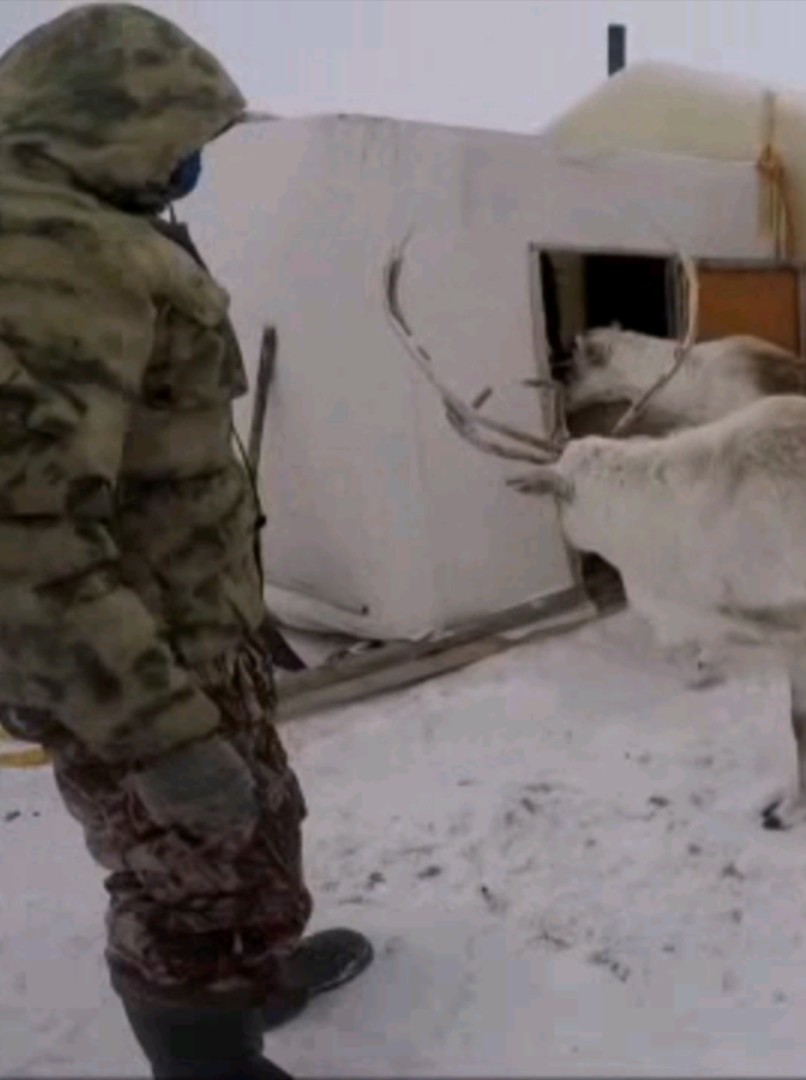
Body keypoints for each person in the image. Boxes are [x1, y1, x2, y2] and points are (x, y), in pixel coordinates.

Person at [0, 5, 372, 1076]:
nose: (190, 164)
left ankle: (252, 970)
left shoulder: (94, 228)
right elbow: (21, 543)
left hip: (191, 632)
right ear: (114, 119)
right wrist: (159, 733)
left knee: (249, 837)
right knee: (184, 881)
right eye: (182, 140)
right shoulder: (40, 253)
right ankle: (209, 1054)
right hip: (137, 665)